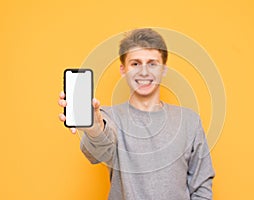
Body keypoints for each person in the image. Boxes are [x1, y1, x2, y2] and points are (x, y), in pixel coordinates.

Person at [58, 28, 215, 200]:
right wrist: (95, 129)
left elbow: (202, 186)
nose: (144, 72)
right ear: (123, 69)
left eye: (152, 63)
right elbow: (97, 153)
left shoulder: (189, 121)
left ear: (163, 69)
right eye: (135, 63)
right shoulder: (109, 118)